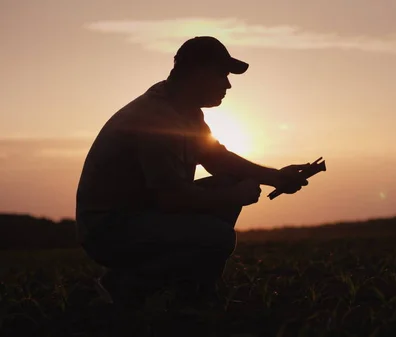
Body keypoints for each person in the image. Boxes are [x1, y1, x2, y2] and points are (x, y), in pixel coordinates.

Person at [75, 36, 309, 308]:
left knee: (227, 187)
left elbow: (217, 159)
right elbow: (172, 199)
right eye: (222, 75)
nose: (228, 84)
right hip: (110, 230)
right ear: (199, 73)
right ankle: (128, 286)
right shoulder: (156, 118)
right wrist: (236, 195)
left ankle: (192, 291)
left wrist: (276, 177)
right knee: (218, 236)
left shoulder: (185, 113)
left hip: (141, 216)